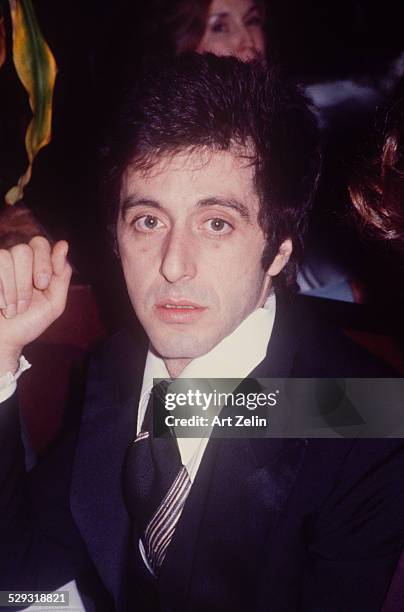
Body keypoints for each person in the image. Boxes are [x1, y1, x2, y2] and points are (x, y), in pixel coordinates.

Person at [1, 53, 404, 612]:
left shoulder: (365, 422)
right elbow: (20, 577)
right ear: (115, 236)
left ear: (278, 250)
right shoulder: (119, 365)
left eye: (216, 223)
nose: (173, 265)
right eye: (148, 220)